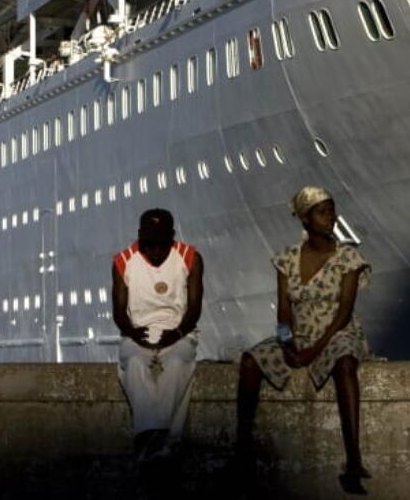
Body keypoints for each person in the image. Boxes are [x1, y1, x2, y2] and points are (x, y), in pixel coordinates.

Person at [235, 187, 373, 495]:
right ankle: (242, 447)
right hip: (299, 335)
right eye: (322, 212)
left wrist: (316, 347)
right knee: (250, 360)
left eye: (331, 210)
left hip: (338, 332)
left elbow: (344, 312)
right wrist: (286, 343)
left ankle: (354, 459)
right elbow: (284, 312)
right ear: (305, 219)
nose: (331, 217)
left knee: (346, 363)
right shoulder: (287, 259)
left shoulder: (348, 257)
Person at [112, 208, 205, 463]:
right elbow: (119, 312)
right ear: (140, 236)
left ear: (172, 237)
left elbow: (194, 309)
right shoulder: (123, 261)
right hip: (136, 330)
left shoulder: (190, 257)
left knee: (177, 363)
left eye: (161, 245)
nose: (155, 251)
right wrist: (133, 333)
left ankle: (148, 439)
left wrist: (176, 333)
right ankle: (164, 440)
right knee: (134, 363)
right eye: (149, 244)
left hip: (179, 330)